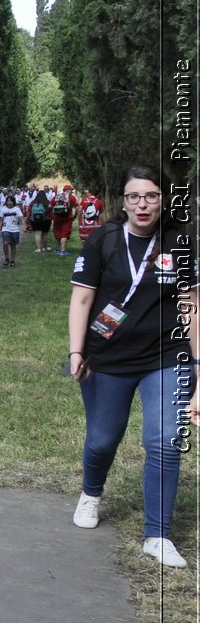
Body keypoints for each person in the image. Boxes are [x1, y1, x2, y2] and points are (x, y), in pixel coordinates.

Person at [67, 165, 198, 568]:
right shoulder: (104, 241)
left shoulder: (180, 243)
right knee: (103, 440)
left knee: (163, 441)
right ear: (122, 202)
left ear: (164, 200)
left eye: (151, 196)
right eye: (134, 197)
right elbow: (83, 301)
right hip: (107, 358)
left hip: (166, 356)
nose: (142, 204)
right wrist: (76, 352)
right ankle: (91, 493)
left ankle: (157, 534)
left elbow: (191, 305)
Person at [0, 193, 24, 268]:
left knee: (13, 246)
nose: (9, 202)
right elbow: (1, 220)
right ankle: (6, 258)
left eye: (11, 201)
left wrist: (24, 226)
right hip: (5, 228)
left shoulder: (16, 209)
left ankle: (12, 260)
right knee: (5, 243)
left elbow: (21, 218)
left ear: (13, 202)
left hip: (14, 229)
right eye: (8, 201)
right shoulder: (3, 209)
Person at [52, 183, 78, 255]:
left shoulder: (57, 196)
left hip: (57, 217)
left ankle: (58, 249)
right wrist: (75, 216)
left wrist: (52, 215)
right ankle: (63, 251)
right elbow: (77, 208)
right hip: (67, 218)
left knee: (58, 233)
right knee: (64, 234)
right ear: (69, 190)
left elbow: (49, 206)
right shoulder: (71, 197)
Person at [28, 187, 51, 252]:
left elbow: (29, 211)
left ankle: (38, 248)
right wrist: (51, 218)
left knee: (37, 234)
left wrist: (27, 220)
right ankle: (45, 247)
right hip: (46, 220)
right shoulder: (47, 202)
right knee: (45, 234)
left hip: (35, 220)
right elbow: (51, 212)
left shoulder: (33, 203)